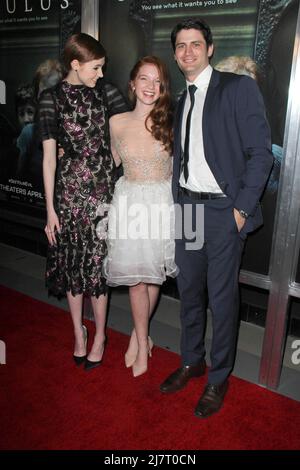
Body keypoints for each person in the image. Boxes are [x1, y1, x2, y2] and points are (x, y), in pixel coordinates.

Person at [159, 18, 273, 417]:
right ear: (175, 54)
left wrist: (241, 210)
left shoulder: (237, 88)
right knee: (189, 292)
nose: (187, 51)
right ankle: (192, 361)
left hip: (224, 211)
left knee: (222, 300)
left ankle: (218, 376)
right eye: (181, 46)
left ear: (210, 49)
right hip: (188, 209)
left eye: (195, 44)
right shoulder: (181, 99)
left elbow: (261, 154)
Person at [39, 33, 117, 371]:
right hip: (69, 194)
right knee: (73, 267)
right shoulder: (50, 98)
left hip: (103, 193)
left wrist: (111, 160)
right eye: (96, 67)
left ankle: (100, 335)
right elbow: (48, 159)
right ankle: (78, 333)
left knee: (98, 265)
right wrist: (50, 210)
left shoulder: (107, 92)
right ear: (75, 64)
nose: (100, 74)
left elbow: (129, 130)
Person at [102, 56, 177, 377]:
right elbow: (111, 160)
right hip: (129, 201)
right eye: (144, 79)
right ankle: (143, 338)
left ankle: (138, 335)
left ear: (163, 88)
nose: (150, 86)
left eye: (157, 81)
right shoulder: (116, 122)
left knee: (152, 274)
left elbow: (177, 170)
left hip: (161, 203)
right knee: (135, 277)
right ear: (132, 84)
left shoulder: (170, 122)